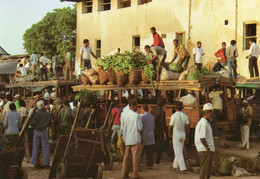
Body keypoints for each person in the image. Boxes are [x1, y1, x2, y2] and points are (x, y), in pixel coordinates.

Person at [121, 100, 143, 179]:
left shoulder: (123, 115)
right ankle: (135, 174)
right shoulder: (136, 115)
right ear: (133, 106)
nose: (137, 108)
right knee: (135, 157)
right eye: (136, 106)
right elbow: (140, 128)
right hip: (135, 138)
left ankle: (124, 174)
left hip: (127, 138)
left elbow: (122, 128)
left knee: (126, 156)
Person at [168, 102, 190, 173]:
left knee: (178, 152)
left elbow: (170, 126)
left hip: (176, 135)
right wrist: (187, 137)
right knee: (179, 151)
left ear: (175, 108)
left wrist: (169, 132)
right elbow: (187, 127)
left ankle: (183, 168)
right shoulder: (185, 116)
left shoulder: (174, 116)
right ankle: (175, 166)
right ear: (182, 108)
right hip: (183, 135)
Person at [195, 103, 215, 179]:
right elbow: (202, 138)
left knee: (206, 170)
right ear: (206, 113)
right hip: (205, 150)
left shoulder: (205, 123)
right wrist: (207, 147)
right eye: (211, 114)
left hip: (204, 149)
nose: (212, 116)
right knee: (205, 170)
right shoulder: (204, 123)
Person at [30, 100, 51, 169]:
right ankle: (46, 164)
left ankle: (35, 164)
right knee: (45, 147)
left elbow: (32, 123)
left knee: (35, 147)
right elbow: (50, 123)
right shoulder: (48, 114)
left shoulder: (36, 114)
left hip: (36, 131)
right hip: (44, 131)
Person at [150, 97, 167, 166]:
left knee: (151, 146)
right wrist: (164, 133)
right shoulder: (162, 112)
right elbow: (163, 123)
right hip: (159, 130)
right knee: (159, 146)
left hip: (152, 129)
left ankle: (150, 161)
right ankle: (157, 161)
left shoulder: (152, 110)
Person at [140, 104, 155, 169]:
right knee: (150, 151)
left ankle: (138, 163)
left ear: (143, 109)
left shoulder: (142, 117)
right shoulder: (152, 117)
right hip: (151, 134)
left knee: (141, 151)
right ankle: (149, 164)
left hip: (144, 135)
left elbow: (140, 127)